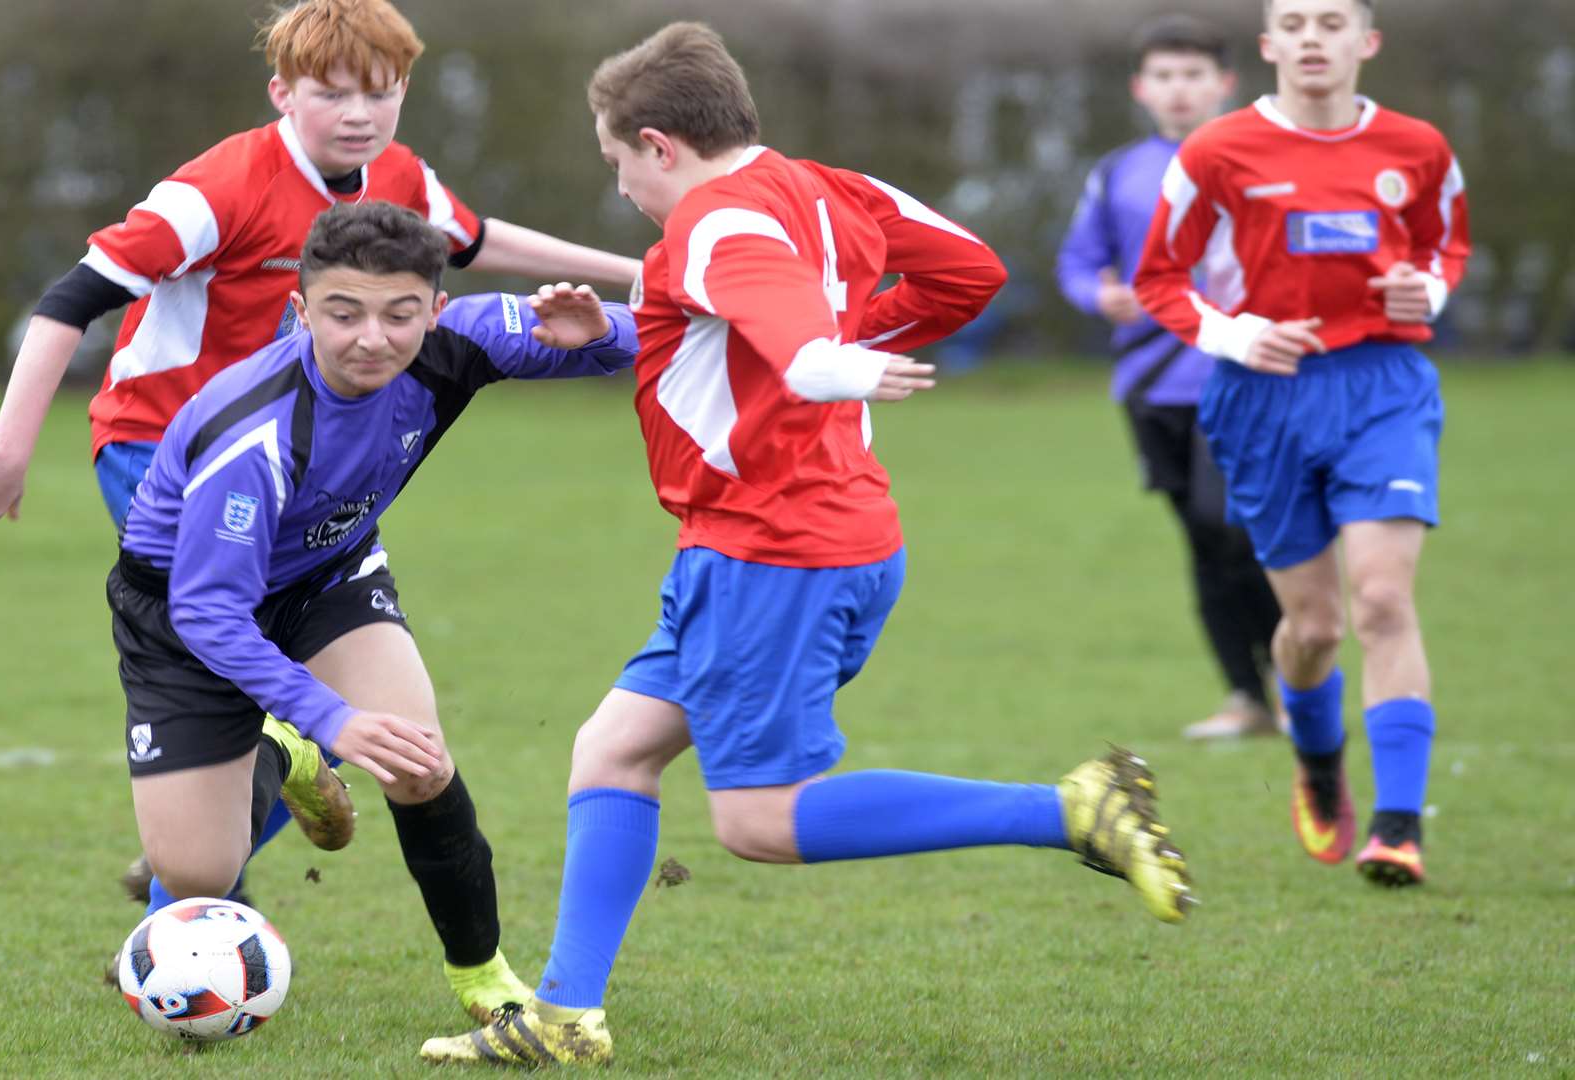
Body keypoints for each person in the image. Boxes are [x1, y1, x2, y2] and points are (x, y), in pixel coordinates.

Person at [420, 23, 1195, 1068]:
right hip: (808, 537)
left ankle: (1069, 809)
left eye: (617, 166)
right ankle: (565, 1017)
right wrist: (810, 342)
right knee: (614, 749)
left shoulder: (709, 219)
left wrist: (829, 359)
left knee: (757, 821)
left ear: (658, 144)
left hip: (770, 558)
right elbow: (971, 271)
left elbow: (774, 313)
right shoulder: (830, 188)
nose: (623, 193)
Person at [0, 0, 641, 1010]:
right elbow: (68, 300)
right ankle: (222, 853)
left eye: (379, 91)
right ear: (283, 94)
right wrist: (8, 452)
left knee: (405, 742)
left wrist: (639, 286)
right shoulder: (217, 190)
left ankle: (466, 965)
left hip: (325, 497)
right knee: (219, 679)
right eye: (331, 91)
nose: (358, 112)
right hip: (169, 449)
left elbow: (486, 254)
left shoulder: (399, 194)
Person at [109, 201, 638, 1024]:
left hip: (330, 574)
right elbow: (210, 614)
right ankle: (283, 754)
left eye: (399, 315)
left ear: (434, 309)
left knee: (418, 760)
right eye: (343, 313)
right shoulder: (256, 434)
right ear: (301, 310)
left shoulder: (460, 337)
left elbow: (660, 333)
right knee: (199, 871)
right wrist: (331, 719)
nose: (372, 338)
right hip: (185, 611)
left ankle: (483, 974)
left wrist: (599, 336)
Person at [1133, 0, 1469, 887]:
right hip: (1264, 398)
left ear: (1366, 42)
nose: (1313, 37)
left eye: (1332, 21)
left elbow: (1445, 248)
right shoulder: (1215, 151)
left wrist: (1423, 295)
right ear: (1270, 46)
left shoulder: (1419, 147)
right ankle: (1318, 760)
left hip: (1382, 386)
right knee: (1313, 626)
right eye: (1296, 22)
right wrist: (1237, 337)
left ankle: (1398, 828)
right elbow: (1159, 279)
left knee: (1384, 600)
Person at [1056, 15, 1285, 741]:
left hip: (1240, 378)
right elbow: (1075, 264)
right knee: (1202, 540)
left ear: (1224, 83)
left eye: (1193, 75)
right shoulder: (1115, 172)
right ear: (1140, 87)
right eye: (1164, 76)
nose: (1178, 90)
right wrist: (1100, 295)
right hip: (1150, 386)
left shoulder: (1264, 159)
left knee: (1231, 526)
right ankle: (1247, 697)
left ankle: (1297, 670)